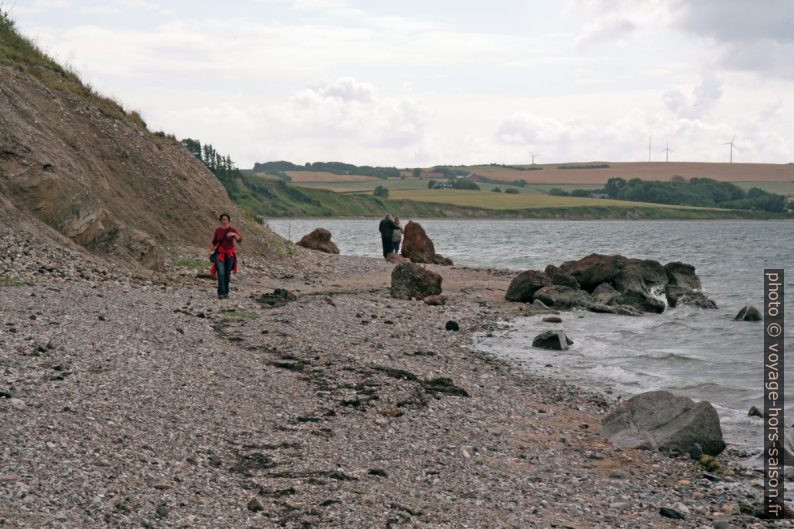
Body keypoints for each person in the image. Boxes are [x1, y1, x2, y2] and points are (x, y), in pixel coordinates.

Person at [209, 213, 241, 299]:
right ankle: (220, 293)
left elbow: (239, 239)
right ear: (220, 220)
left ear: (228, 220)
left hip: (230, 254)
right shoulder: (218, 230)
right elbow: (215, 241)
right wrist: (210, 251)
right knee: (221, 273)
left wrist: (234, 235)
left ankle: (226, 292)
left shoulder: (232, 229)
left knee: (227, 273)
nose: (224, 221)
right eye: (223, 219)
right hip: (220, 253)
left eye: (226, 219)